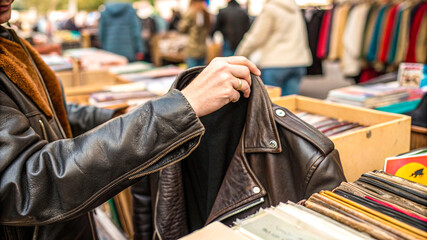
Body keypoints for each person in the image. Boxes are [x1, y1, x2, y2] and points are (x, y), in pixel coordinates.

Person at [0, 0, 261, 239]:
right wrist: (177, 109)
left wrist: (120, 115)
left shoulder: (7, 36)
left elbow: (49, 113)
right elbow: (26, 181)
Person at [236, 0, 312, 96]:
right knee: (289, 103)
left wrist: (240, 55)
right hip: (298, 61)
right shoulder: (295, 8)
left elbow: (256, 37)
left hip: (276, 62)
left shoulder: (270, 8)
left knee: (270, 103)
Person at [178, 0, 211, 68]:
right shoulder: (206, 13)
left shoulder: (191, 12)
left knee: (191, 74)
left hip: (192, 48)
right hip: (203, 49)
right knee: (201, 72)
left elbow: (182, 28)